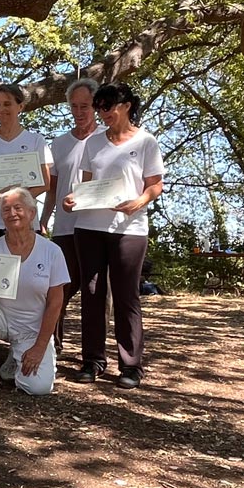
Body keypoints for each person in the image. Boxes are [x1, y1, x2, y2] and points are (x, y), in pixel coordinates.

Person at [62, 82, 164, 390]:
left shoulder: (146, 142)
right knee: (92, 295)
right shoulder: (93, 143)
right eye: (100, 108)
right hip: (89, 228)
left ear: (127, 106)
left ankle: (131, 365)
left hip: (129, 230)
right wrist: (72, 199)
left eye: (109, 107)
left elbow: (155, 185)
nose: (104, 113)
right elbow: (87, 185)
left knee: (126, 296)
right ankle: (92, 361)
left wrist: (139, 202)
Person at [0, 187, 68, 397]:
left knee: (38, 388)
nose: (12, 214)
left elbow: (56, 303)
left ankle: (15, 358)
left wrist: (39, 348)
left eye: (18, 208)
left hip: (32, 329)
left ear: (31, 213)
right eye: (6, 209)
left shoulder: (52, 251)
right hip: (1, 320)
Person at [48, 77, 101, 357]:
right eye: (74, 106)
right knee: (59, 288)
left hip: (96, 227)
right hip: (64, 229)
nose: (79, 112)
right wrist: (44, 217)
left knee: (95, 292)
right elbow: (52, 186)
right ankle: (52, 344)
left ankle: (94, 354)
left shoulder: (106, 139)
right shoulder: (58, 143)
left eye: (85, 106)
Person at [0, 83, 52, 247]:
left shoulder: (36, 141)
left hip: (24, 222)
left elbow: (45, 183)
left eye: (7, 104)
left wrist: (18, 202)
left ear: (20, 106)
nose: (1, 109)